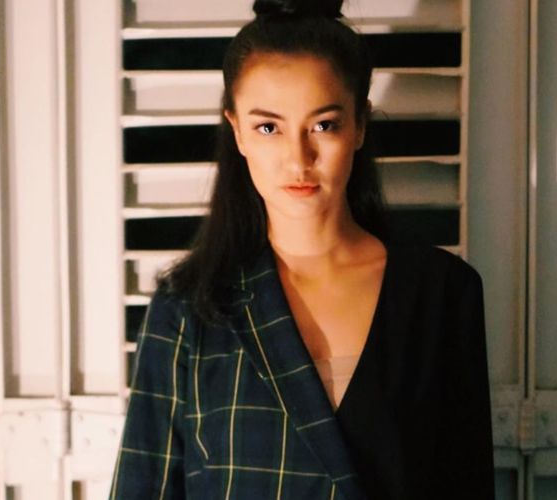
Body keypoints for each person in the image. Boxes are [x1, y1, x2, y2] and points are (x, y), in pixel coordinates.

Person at [109, 0, 495, 498]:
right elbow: (142, 487)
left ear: (359, 126)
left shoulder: (440, 291)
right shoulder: (190, 305)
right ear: (237, 132)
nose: (299, 158)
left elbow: (465, 483)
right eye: (268, 127)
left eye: (323, 125)